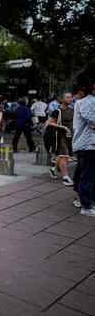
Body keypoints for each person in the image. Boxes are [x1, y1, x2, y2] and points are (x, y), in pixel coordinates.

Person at [72, 82, 95, 217]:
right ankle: (86, 206)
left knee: (90, 176)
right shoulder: (87, 102)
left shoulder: (86, 102)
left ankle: (89, 203)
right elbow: (91, 120)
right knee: (88, 176)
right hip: (87, 145)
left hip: (89, 145)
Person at [46, 93, 75, 186]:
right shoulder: (57, 111)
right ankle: (65, 177)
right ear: (62, 99)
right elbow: (49, 123)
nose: (70, 99)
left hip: (69, 136)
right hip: (59, 136)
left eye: (71, 97)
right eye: (68, 97)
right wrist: (62, 127)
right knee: (64, 155)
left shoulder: (72, 110)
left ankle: (53, 169)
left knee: (64, 156)